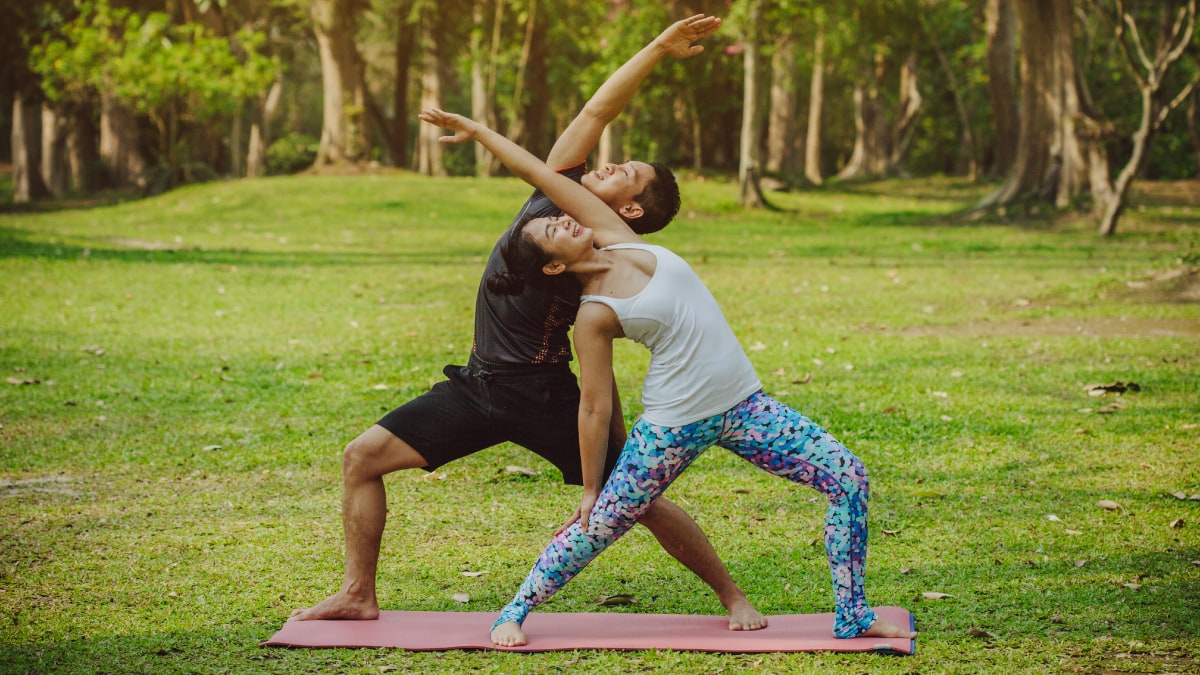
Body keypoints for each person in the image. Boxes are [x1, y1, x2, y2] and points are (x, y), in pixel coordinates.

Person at [290, 14, 767, 632]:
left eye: (625, 171)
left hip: (541, 393)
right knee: (363, 457)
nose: (609, 160)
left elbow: (602, 366)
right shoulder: (557, 191)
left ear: (626, 208)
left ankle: (732, 595)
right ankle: (358, 592)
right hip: (477, 384)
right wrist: (655, 49)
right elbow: (597, 109)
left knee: (637, 499)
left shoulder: (591, 235)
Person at [415, 107, 919, 647]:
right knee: (602, 525)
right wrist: (591, 486)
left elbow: (542, 174)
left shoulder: (614, 233)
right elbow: (594, 405)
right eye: (550, 230)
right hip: (674, 425)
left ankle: (853, 614)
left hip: (747, 407)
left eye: (559, 215)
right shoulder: (593, 314)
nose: (561, 217)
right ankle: (514, 611)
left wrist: (480, 133)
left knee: (848, 479)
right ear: (554, 267)